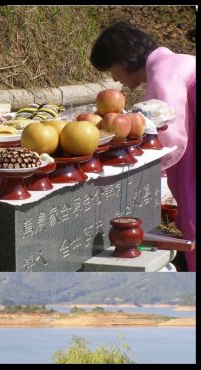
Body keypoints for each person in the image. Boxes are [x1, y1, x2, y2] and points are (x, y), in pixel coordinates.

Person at [90, 22, 196, 271]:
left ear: (123, 59)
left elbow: (169, 138)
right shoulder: (176, 62)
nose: (114, 77)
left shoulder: (164, 76)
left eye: (111, 68)